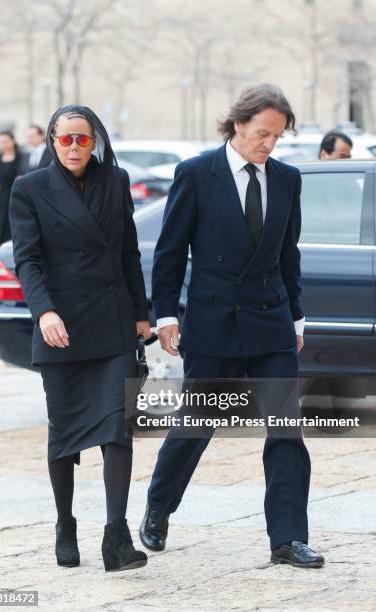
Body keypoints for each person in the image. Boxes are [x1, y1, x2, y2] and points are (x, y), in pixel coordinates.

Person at [139, 84, 325, 569]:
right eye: (263, 134)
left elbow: (289, 253)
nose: (269, 144)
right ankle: (158, 508)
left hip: (270, 320)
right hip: (214, 320)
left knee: (286, 429)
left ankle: (288, 538)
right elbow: (171, 251)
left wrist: (297, 315)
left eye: (277, 137)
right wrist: (166, 315)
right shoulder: (197, 173)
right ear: (238, 124)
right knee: (197, 425)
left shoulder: (286, 179)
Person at [9, 104, 151, 571]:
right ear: (51, 140)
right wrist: (44, 311)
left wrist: (142, 314)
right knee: (64, 434)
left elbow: (128, 249)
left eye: (82, 139)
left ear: (95, 140)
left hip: (111, 323)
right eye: (65, 139)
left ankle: (116, 537)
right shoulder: (29, 188)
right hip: (62, 328)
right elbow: (27, 260)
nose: (74, 147)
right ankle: (65, 523)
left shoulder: (116, 179)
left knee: (117, 429)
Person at [0, 131, 24, 246]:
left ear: (13, 141)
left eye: (5, 141)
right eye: (0, 142)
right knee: (0, 230)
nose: (3, 144)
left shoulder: (21, 158)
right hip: (0, 199)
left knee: (15, 228)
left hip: (16, 198)